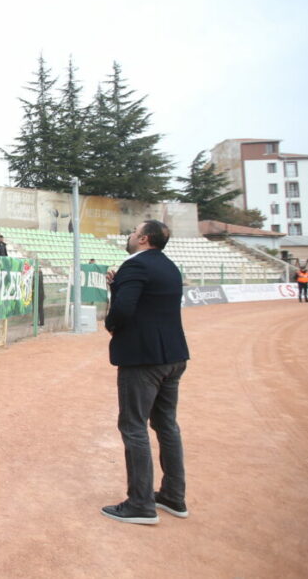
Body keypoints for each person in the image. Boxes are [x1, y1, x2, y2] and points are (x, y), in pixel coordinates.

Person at [101, 220, 190, 525]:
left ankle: (140, 503)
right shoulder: (169, 267)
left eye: (133, 231)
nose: (129, 234)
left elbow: (124, 310)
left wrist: (111, 324)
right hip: (173, 356)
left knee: (134, 426)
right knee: (166, 425)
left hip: (143, 359)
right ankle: (173, 495)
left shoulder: (134, 266)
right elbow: (148, 304)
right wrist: (117, 284)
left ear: (143, 238)